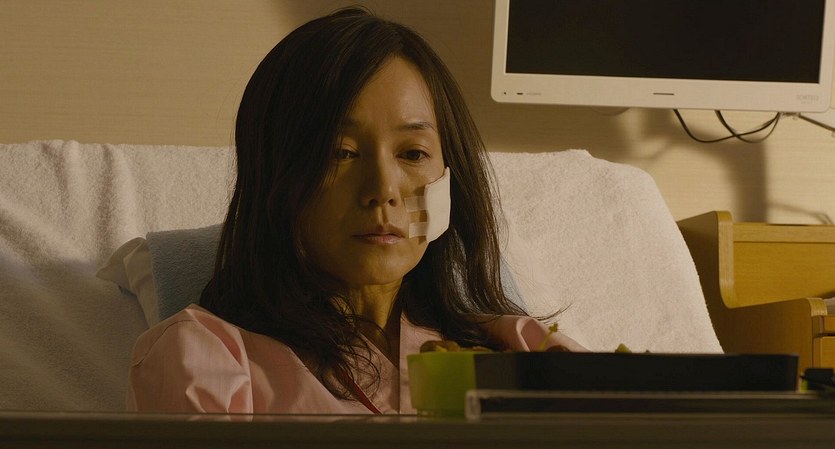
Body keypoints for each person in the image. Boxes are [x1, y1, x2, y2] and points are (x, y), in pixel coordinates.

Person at [127, 6, 583, 414]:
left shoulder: (521, 350)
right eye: (340, 153)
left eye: (413, 153)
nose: (383, 190)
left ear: (450, 175)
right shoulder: (204, 358)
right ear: (275, 176)